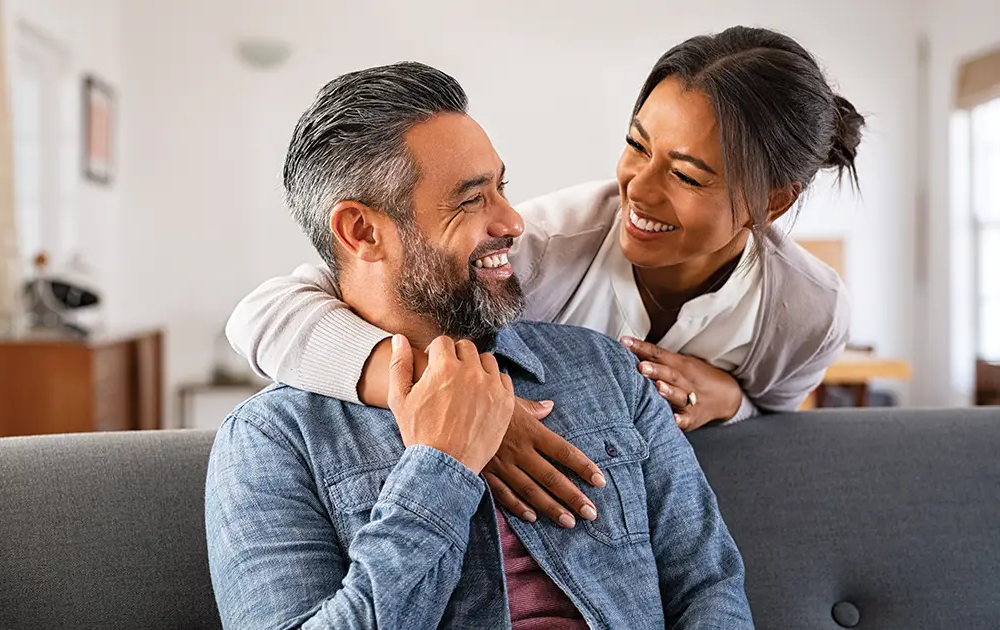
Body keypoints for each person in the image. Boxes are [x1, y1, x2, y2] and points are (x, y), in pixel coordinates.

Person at [225, 25, 861, 528]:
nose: (637, 188)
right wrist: (456, 402)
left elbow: (777, 423)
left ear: (771, 202)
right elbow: (265, 314)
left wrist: (732, 401)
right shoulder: (542, 246)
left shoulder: (808, 311)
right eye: (637, 145)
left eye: (687, 175)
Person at [206, 62, 752, 629]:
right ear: (362, 232)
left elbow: (708, 585)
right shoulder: (272, 441)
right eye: (471, 200)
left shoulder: (608, 370)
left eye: (502, 187)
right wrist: (439, 468)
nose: (513, 220)